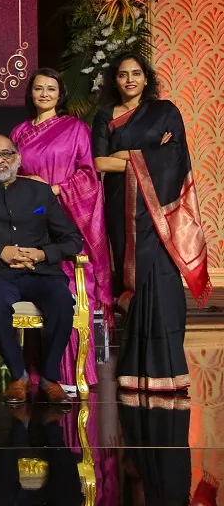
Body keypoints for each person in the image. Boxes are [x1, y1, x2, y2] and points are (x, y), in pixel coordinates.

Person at [92, 53, 209, 392]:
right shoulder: (104, 116)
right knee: (135, 282)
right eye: (123, 74)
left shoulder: (165, 111)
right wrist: (144, 158)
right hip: (122, 209)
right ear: (115, 80)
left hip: (158, 212)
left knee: (162, 282)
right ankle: (133, 369)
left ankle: (170, 369)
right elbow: (99, 161)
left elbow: (174, 156)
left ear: (146, 79)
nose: (129, 79)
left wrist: (126, 155)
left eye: (136, 74)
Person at [0, 135, 84, 404]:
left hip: (40, 271)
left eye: (6, 154)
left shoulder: (40, 192)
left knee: (61, 301)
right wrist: (0, 252)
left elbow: (72, 239)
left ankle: (49, 377)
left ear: (18, 158)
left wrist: (43, 253)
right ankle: (18, 375)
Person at [11, 68, 111, 390]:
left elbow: (88, 175)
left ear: (60, 94)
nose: (44, 94)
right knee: (36, 288)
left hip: (64, 214)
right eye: (38, 88)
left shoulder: (75, 128)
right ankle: (38, 374)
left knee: (68, 291)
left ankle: (72, 373)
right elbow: (10, 176)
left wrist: (53, 190)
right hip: (32, 217)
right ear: (31, 94)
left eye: (50, 89)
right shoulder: (19, 133)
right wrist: (31, 188)